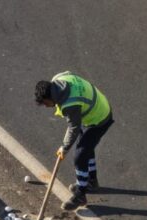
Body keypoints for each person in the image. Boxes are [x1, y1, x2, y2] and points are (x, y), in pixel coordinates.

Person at [34, 71, 113, 211]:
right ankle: (91, 181)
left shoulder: (70, 105)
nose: (46, 106)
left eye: (45, 103)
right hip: (97, 106)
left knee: (80, 157)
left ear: (49, 97)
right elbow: (68, 72)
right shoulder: (58, 79)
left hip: (99, 119)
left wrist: (64, 148)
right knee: (86, 147)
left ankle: (80, 195)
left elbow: (74, 127)